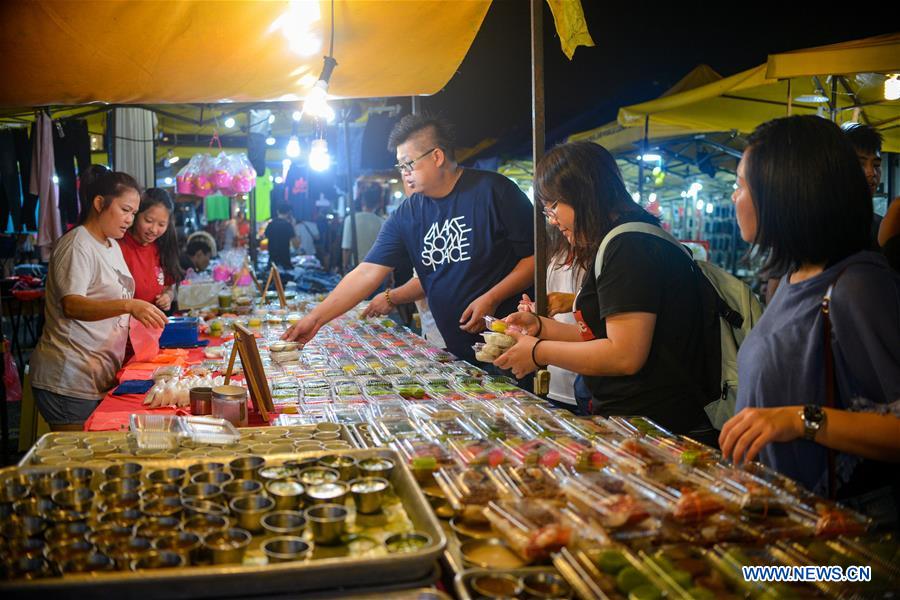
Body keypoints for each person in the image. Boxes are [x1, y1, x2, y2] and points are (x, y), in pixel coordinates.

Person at [718, 116, 900, 523]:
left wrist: (801, 420)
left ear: (785, 194)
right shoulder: (789, 278)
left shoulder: (858, 285)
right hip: (783, 516)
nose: (734, 197)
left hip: (845, 534)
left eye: (741, 184)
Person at [494, 141, 716, 444]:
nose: (553, 220)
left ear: (583, 191)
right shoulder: (621, 239)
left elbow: (624, 354)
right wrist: (541, 327)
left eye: (553, 206)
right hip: (635, 421)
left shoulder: (629, 245)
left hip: (655, 428)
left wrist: (536, 352)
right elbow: (603, 335)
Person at [284, 114, 535, 363]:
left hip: (513, 346)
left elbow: (537, 258)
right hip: (457, 350)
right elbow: (367, 272)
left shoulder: (495, 191)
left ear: (437, 156)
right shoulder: (408, 213)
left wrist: (492, 297)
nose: (404, 173)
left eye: (408, 164)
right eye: (400, 166)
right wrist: (315, 319)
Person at [30, 165, 168, 430]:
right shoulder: (77, 244)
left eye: (134, 213)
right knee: (81, 462)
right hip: (68, 378)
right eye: (125, 210)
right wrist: (129, 305)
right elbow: (72, 304)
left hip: (95, 373)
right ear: (99, 203)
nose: (130, 219)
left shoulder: (111, 244)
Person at [517, 228, 585, 414]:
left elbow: (606, 305)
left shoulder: (602, 251)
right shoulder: (557, 249)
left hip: (585, 376)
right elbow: (551, 305)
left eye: (554, 206)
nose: (553, 218)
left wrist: (573, 300)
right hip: (554, 376)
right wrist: (534, 311)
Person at [117, 188, 183, 311]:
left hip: (151, 326)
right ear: (136, 215)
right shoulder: (119, 244)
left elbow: (168, 286)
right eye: (148, 221)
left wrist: (167, 296)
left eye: (161, 225)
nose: (154, 229)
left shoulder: (162, 246)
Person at [342, 185, 386, 272]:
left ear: (362, 201)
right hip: (377, 269)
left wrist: (344, 266)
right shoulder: (382, 222)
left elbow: (346, 248)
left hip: (356, 267)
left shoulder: (350, 219)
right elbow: (385, 251)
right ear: (377, 204)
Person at [264, 203, 298, 271]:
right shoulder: (288, 225)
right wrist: (293, 226)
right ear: (289, 212)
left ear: (277, 211)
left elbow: (265, 236)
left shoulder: (271, 224)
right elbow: (296, 245)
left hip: (272, 261)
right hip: (285, 262)